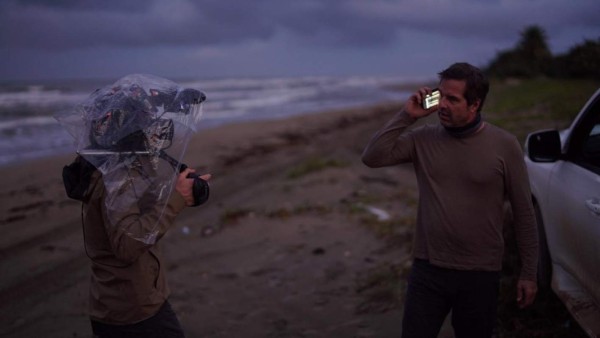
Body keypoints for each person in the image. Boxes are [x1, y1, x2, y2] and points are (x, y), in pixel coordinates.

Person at [361, 62, 538, 338]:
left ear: (474, 104)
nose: (442, 104)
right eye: (440, 95)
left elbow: (524, 211)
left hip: (480, 273)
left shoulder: (505, 145)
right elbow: (372, 157)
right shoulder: (423, 139)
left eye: (452, 99)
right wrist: (407, 116)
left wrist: (529, 272)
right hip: (428, 269)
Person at [60, 74, 210, 338]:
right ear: (130, 132)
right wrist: (178, 199)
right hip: (134, 314)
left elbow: (134, 210)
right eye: (148, 123)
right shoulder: (117, 177)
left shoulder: (112, 166)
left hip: (124, 304)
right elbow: (128, 245)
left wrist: (177, 188)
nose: (156, 129)